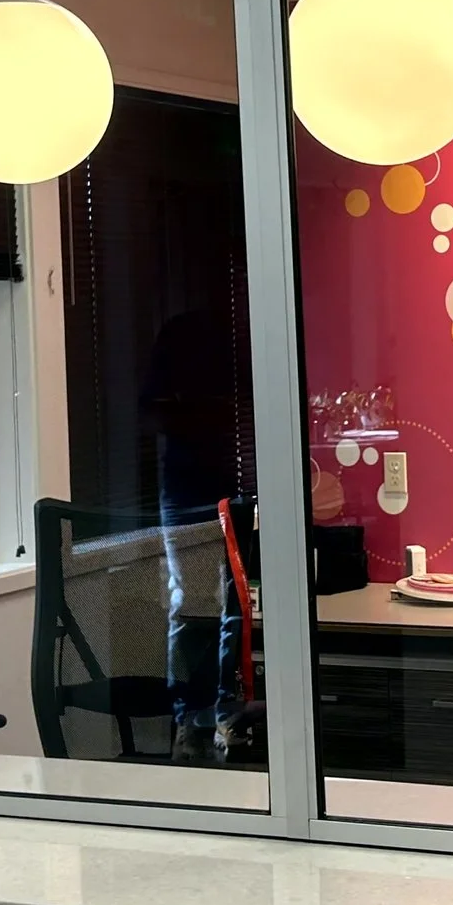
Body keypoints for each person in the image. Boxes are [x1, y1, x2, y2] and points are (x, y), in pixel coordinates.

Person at [139, 307, 245, 765]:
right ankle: (189, 720)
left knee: (236, 607)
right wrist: (196, 413)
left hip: (229, 488)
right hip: (183, 492)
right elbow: (151, 411)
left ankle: (226, 717)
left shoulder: (232, 340)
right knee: (191, 606)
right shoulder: (176, 335)